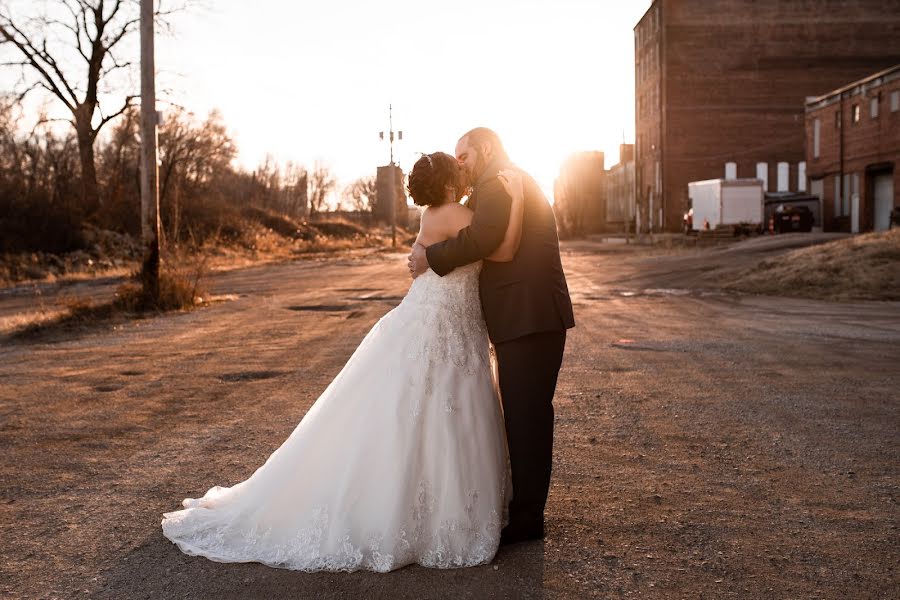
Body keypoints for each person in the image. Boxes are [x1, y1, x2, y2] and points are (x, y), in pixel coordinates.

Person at [161, 152, 525, 572]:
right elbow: (501, 247)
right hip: (442, 325)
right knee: (434, 411)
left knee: (427, 411)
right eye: (456, 170)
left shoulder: (434, 214)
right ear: (446, 184)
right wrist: (513, 202)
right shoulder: (455, 214)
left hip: (446, 320)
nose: (463, 174)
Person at [408, 127, 575, 545]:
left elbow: (488, 242)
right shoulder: (489, 183)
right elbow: (470, 230)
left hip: (529, 316)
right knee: (521, 415)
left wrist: (429, 256)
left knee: (527, 417)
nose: (458, 162)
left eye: (462, 155)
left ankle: (527, 519)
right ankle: (523, 510)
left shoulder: (501, 181)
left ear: (483, 150)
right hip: (520, 317)